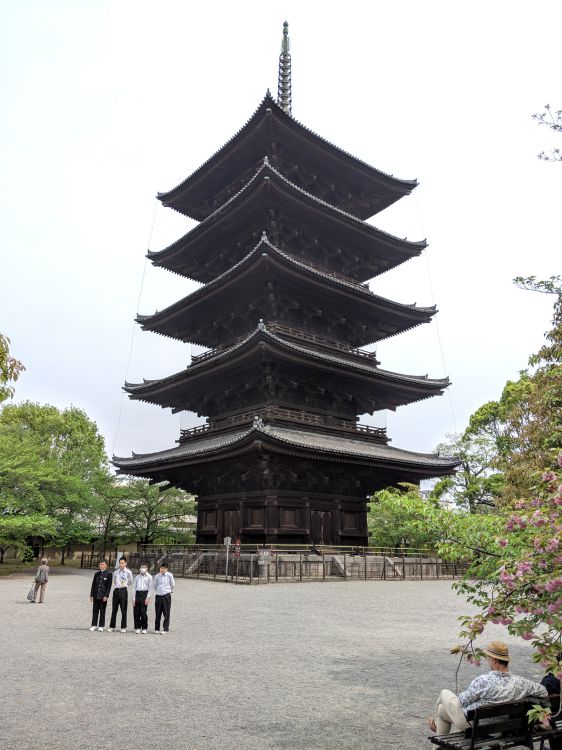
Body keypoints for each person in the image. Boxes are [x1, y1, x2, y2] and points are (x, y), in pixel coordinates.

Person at [428, 641, 548, 734]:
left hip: (475, 726)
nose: (487, 660)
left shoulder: (483, 681)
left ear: (494, 660)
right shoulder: (521, 682)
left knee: (444, 693)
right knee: (441, 711)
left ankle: (434, 723)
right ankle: (437, 747)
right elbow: (543, 691)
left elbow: (462, 702)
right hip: (499, 727)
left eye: (488, 658)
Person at [107, 556, 133, 633]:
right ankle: (112, 626)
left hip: (123, 591)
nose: (121, 564)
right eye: (120, 563)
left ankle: (123, 627)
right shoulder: (116, 572)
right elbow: (114, 581)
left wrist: (124, 586)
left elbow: (130, 582)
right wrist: (118, 586)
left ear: (125, 564)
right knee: (114, 610)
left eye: (122, 563)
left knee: (123, 609)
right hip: (116, 591)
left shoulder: (128, 572)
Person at [89, 559, 113, 631]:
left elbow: (109, 586)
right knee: (95, 611)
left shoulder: (109, 574)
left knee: (102, 611)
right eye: (100, 564)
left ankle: (101, 626)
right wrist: (91, 595)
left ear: (106, 565)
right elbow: (93, 585)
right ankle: (94, 625)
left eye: (103, 564)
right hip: (96, 595)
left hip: (103, 596)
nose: (101, 565)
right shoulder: (96, 574)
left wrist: (106, 595)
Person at [153, 562, 175, 634]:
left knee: (166, 612)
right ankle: (157, 628)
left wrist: (168, 591)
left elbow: (172, 585)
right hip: (159, 595)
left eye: (163, 568)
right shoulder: (157, 576)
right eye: (161, 568)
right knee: (158, 612)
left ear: (166, 569)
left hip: (166, 595)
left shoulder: (169, 575)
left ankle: (165, 629)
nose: (162, 570)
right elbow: (155, 586)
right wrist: (159, 591)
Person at [132, 564, 153, 634]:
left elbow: (150, 588)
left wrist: (147, 598)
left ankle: (144, 627)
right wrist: (133, 598)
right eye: (141, 567)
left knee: (143, 612)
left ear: (147, 568)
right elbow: (134, 588)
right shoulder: (137, 577)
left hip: (144, 594)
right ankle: (137, 627)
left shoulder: (149, 577)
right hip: (137, 593)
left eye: (144, 568)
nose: (142, 569)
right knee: (136, 612)